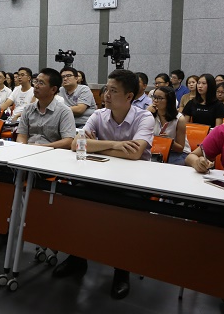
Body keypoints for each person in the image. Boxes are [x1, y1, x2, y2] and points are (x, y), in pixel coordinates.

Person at [53, 69, 154, 300]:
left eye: (113, 91)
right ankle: (77, 257)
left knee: (124, 217)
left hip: (132, 183)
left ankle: (121, 269)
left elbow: (134, 153)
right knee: (75, 201)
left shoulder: (144, 117)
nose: (106, 94)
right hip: (99, 177)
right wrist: (117, 145)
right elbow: (76, 144)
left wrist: (97, 146)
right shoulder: (99, 115)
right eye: (106, 89)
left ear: (129, 96)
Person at [0, 68, 76, 255]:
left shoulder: (64, 111)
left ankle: (35, 229)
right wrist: (23, 149)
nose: (36, 86)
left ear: (53, 89)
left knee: (20, 181)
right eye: (36, 82)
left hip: (50, 160)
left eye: (41, 83)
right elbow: (22, 135)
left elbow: (68, 141)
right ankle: (4, 227)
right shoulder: (28, 109)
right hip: (26, 157)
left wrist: (40, 149)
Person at [147, 86, 190, 165]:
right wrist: (146, 113)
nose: (155, 101)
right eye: (154, 97)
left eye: (159, 98)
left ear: (169, 100)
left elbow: (180, 148)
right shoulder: (150, 114)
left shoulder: (179, 119)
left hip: (176, 152)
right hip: (157, 150)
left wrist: (169, 141)